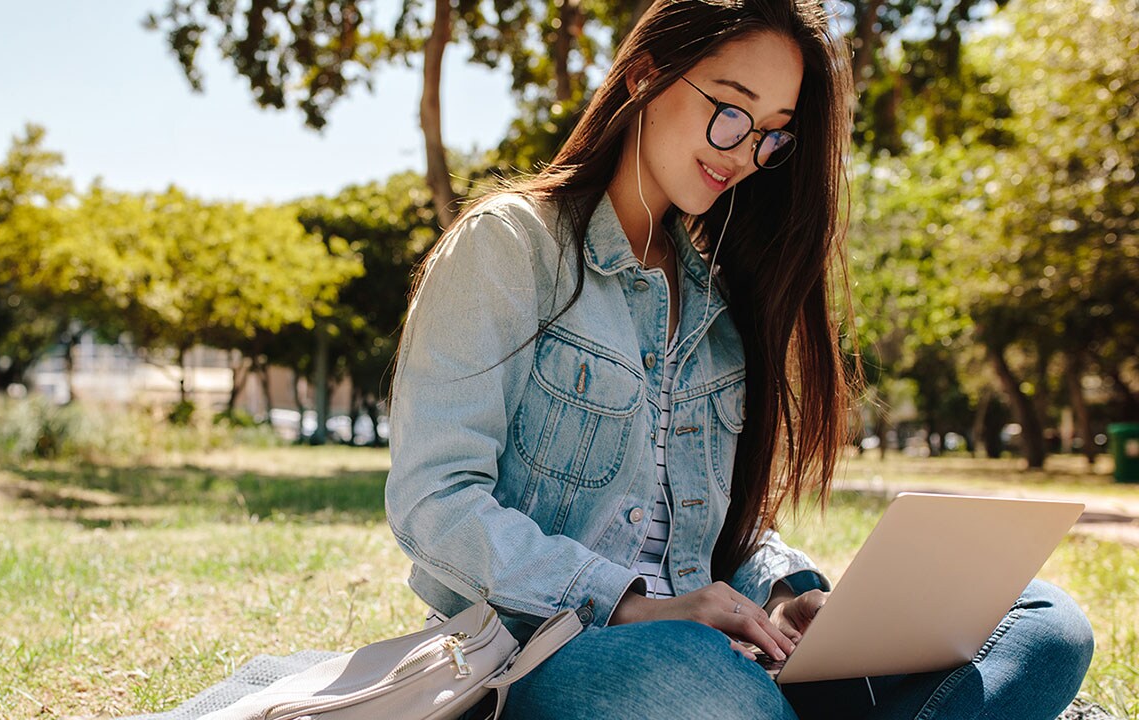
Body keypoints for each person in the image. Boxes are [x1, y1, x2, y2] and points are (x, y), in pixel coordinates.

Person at [382, 0, 1094, 717]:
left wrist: (788, 593)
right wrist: (633, 606)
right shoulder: (510, 246)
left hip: (718, 656)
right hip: (543, 649)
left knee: (1044, 623)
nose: (742, 151)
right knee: (701, 676)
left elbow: (716, 526)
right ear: (643, 76)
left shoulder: (715, 299)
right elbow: (434, 501)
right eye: (731, 109)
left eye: (770, 136)